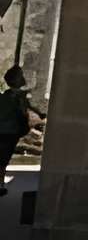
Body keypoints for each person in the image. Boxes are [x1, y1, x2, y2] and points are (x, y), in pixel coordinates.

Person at [0, 66, 41, 195]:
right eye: (21, 75)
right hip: (9, 132)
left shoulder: (8, 96)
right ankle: (0, 184)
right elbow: (23, 112)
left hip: (7, 131)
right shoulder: (17, 98)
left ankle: (1, 183)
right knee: (3, 160)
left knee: (2, 159)